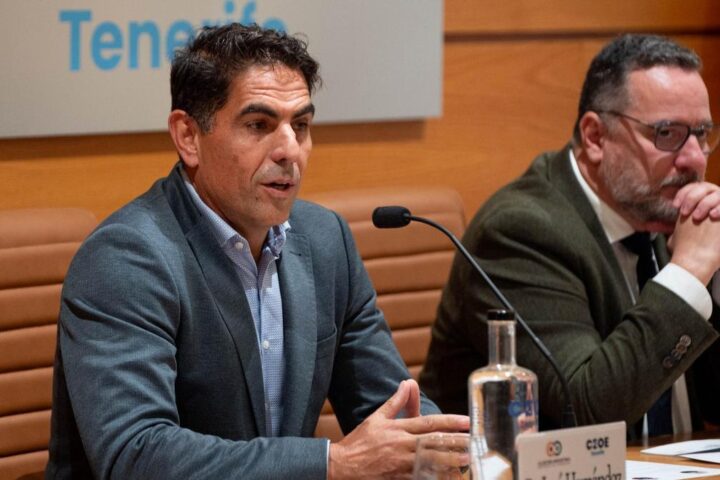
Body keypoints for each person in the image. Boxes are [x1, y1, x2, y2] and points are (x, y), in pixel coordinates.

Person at [46, 23, 468, 479]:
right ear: (188, 137)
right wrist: (332, 464)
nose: (290, 150)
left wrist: (454, 453)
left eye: (300, 125)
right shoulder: (126, 258)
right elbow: (137, 455)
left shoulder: (325, 240)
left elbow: (393, 409)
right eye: (258, 125)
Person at [420, 33, 720, 437]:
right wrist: (689, 273)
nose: (695, 158)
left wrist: (714, 275)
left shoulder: (669, 217)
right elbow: (588, 411)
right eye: (667, 134)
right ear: (595, 137)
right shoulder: (520, 232)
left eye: (702, 134)